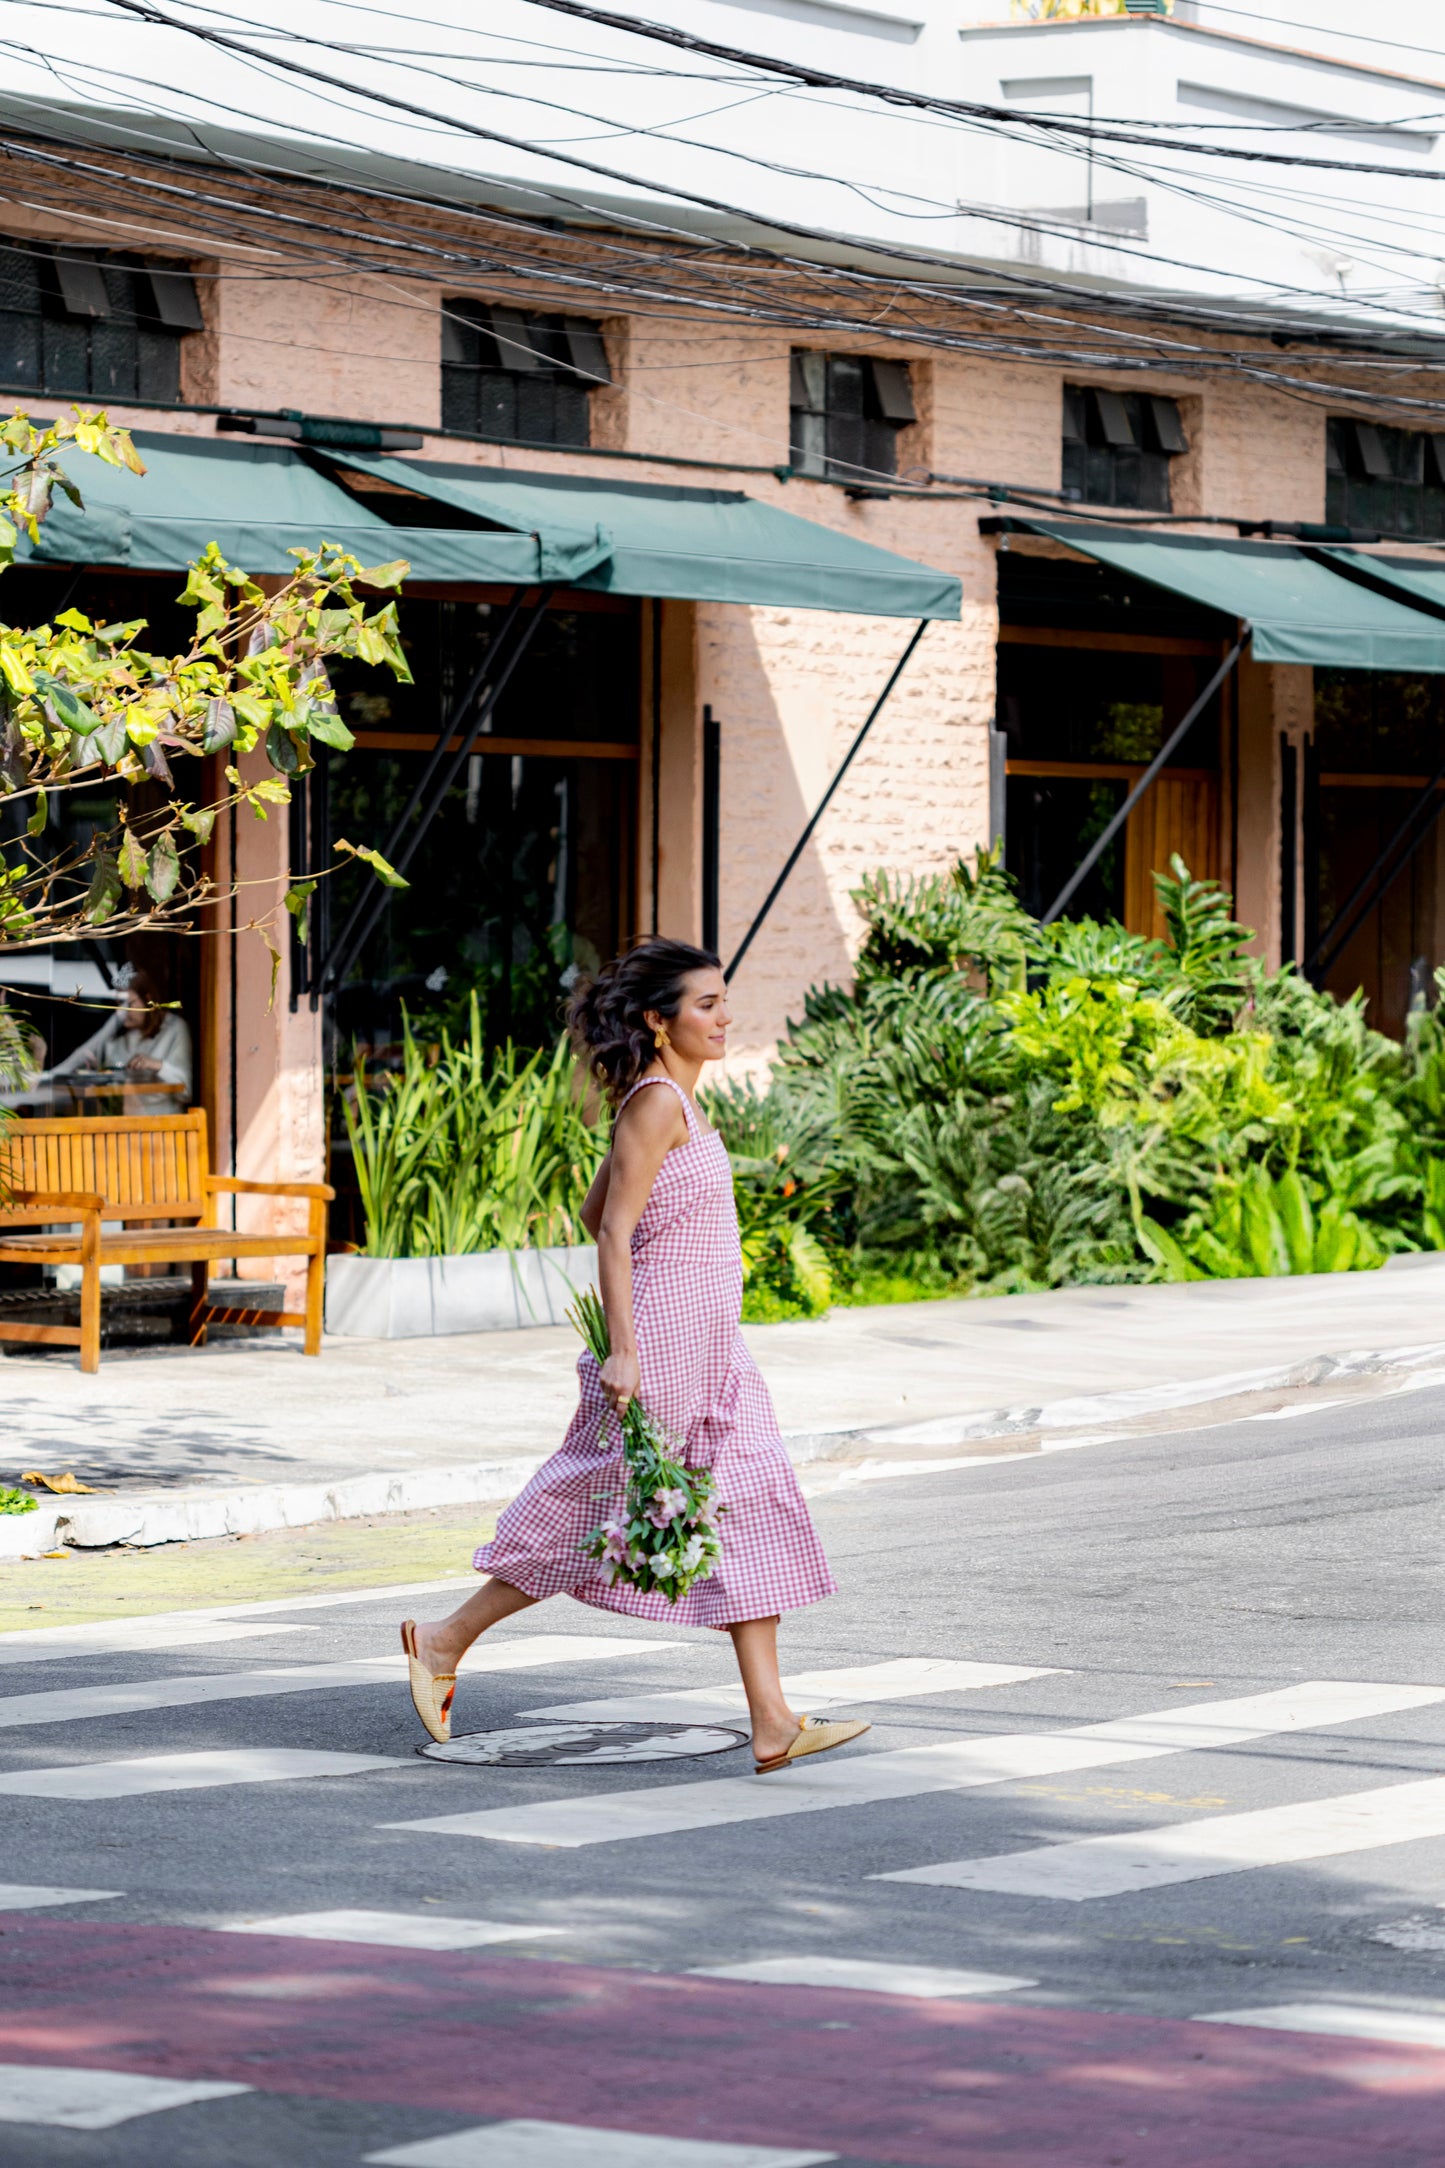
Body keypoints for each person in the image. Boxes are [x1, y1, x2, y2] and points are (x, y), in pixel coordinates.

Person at [402, 937, 868, 1776]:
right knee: (593, 1511)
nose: (724, 1018)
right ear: (659, 1022)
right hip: (657, 1349)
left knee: (747, 1507)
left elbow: (596, 1207)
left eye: (723, 1003)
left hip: (710, 1350)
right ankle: (443, 1638)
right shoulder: (657, 1102)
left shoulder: (670, 1104)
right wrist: (625, 1348)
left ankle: (772, 1721)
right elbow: (612, 1232)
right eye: (705, 1006)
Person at [39, 969, 192, 1117]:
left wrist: (158, 1066)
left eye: (129, 1004)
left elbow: (186, 1092)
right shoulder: (114, 1036)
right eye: (118, 1004)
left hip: (164, 1126)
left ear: (148, 1000)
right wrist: (91, 1067)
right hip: (119, 1125)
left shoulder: (174, 1029)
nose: (121, 1011)